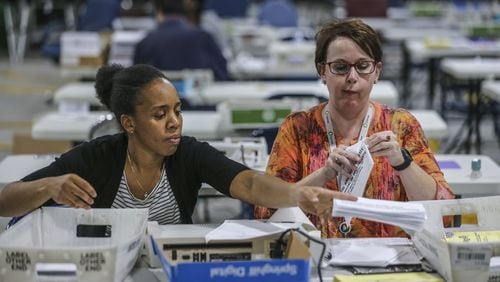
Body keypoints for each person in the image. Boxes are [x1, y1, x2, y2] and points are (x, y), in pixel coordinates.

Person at [0, 64, 356, 225]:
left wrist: (297, 195)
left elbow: (247, 182)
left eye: (177, 110)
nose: (174, 122)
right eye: (159, 114)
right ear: (129, 123)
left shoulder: (188, 153)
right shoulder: (97, 157)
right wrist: (50, 186)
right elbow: (5, 201)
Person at [254, 19, 455, 238]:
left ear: (376, 72)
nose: (352, 77)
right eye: (340, 67)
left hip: (391, 261)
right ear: (322, 71)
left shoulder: (401, 125)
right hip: (316, 255)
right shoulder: (298, 128)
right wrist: (324, 174)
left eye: (363, 66)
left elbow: (444, 213)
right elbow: (266, 212)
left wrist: (402, 162)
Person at [133, 0, 230, 81]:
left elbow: (135, 82)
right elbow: (222, 73)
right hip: (199, 102)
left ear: (159, 12)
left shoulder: (146, 43)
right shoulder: (203, 37)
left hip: (159, 102)